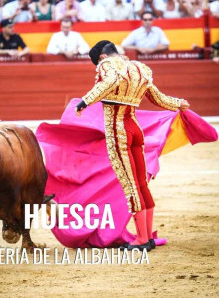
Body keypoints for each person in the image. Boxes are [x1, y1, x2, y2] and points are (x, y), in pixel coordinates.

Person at [74, 40, 190, 251]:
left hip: (119, 131)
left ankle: (141, 239)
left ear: (101, 58)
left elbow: (109, 81)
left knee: (131, 185)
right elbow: (158, 98)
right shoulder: (138, 68)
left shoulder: (108, 66)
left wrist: (85, 101)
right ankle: (147, 236)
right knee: (141, 183)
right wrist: (177, 103)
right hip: (136, 130)